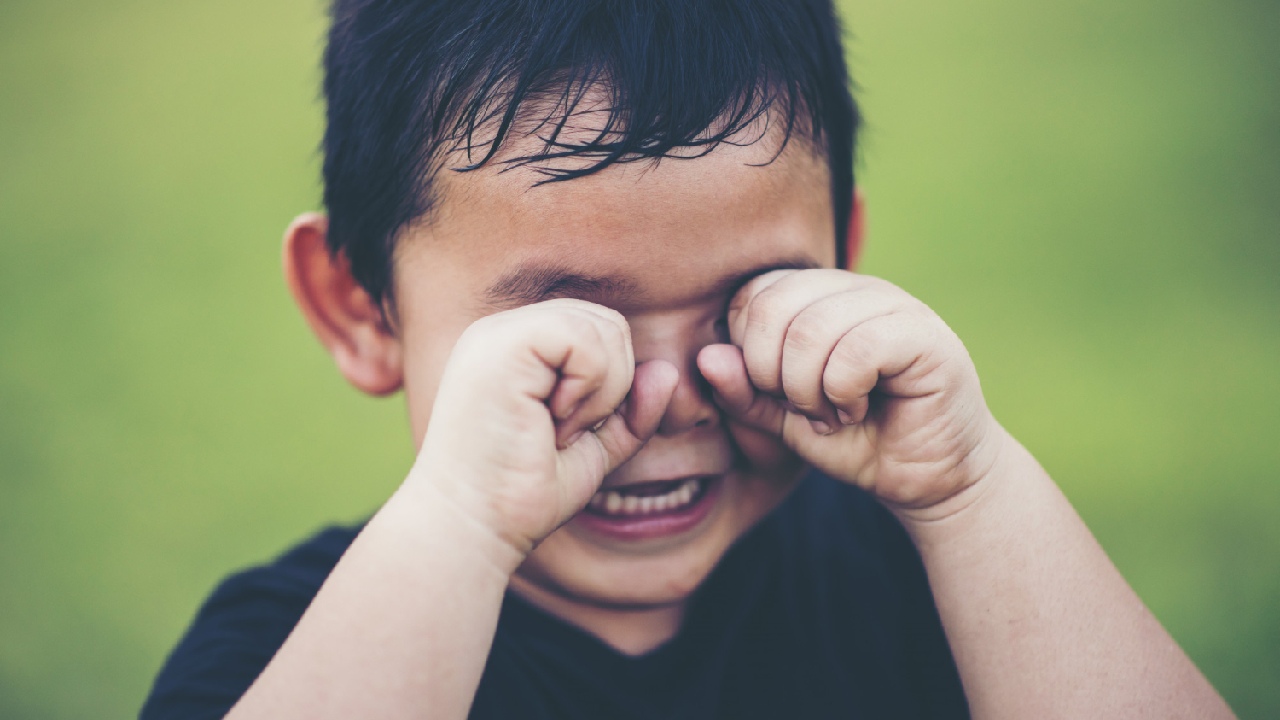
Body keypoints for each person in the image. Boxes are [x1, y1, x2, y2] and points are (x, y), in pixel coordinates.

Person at [141, 0, 1234, 718]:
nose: (664, 401)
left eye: (745, 306)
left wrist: (970, 491)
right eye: (566, 327)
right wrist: (461, 528)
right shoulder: (288, 651)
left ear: (841, 261)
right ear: (359, 308)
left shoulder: (942, 580)